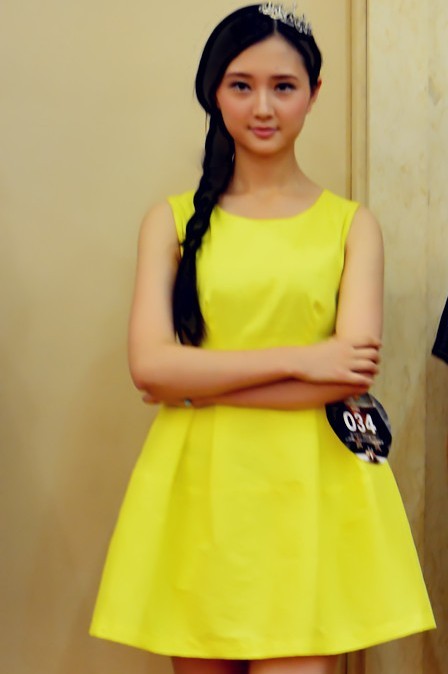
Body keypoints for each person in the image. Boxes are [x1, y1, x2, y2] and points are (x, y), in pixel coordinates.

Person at [90, 5, 435, 673]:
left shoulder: (353, 225)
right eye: (241, 85)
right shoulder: (169, 222)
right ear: (214, 92)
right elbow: (149, 367)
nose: (263, 107)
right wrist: (305, 359)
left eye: (284, 86)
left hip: (312, 489)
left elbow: (347, 379)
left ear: (314, 92)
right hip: (201, 488)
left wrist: (196, 387)